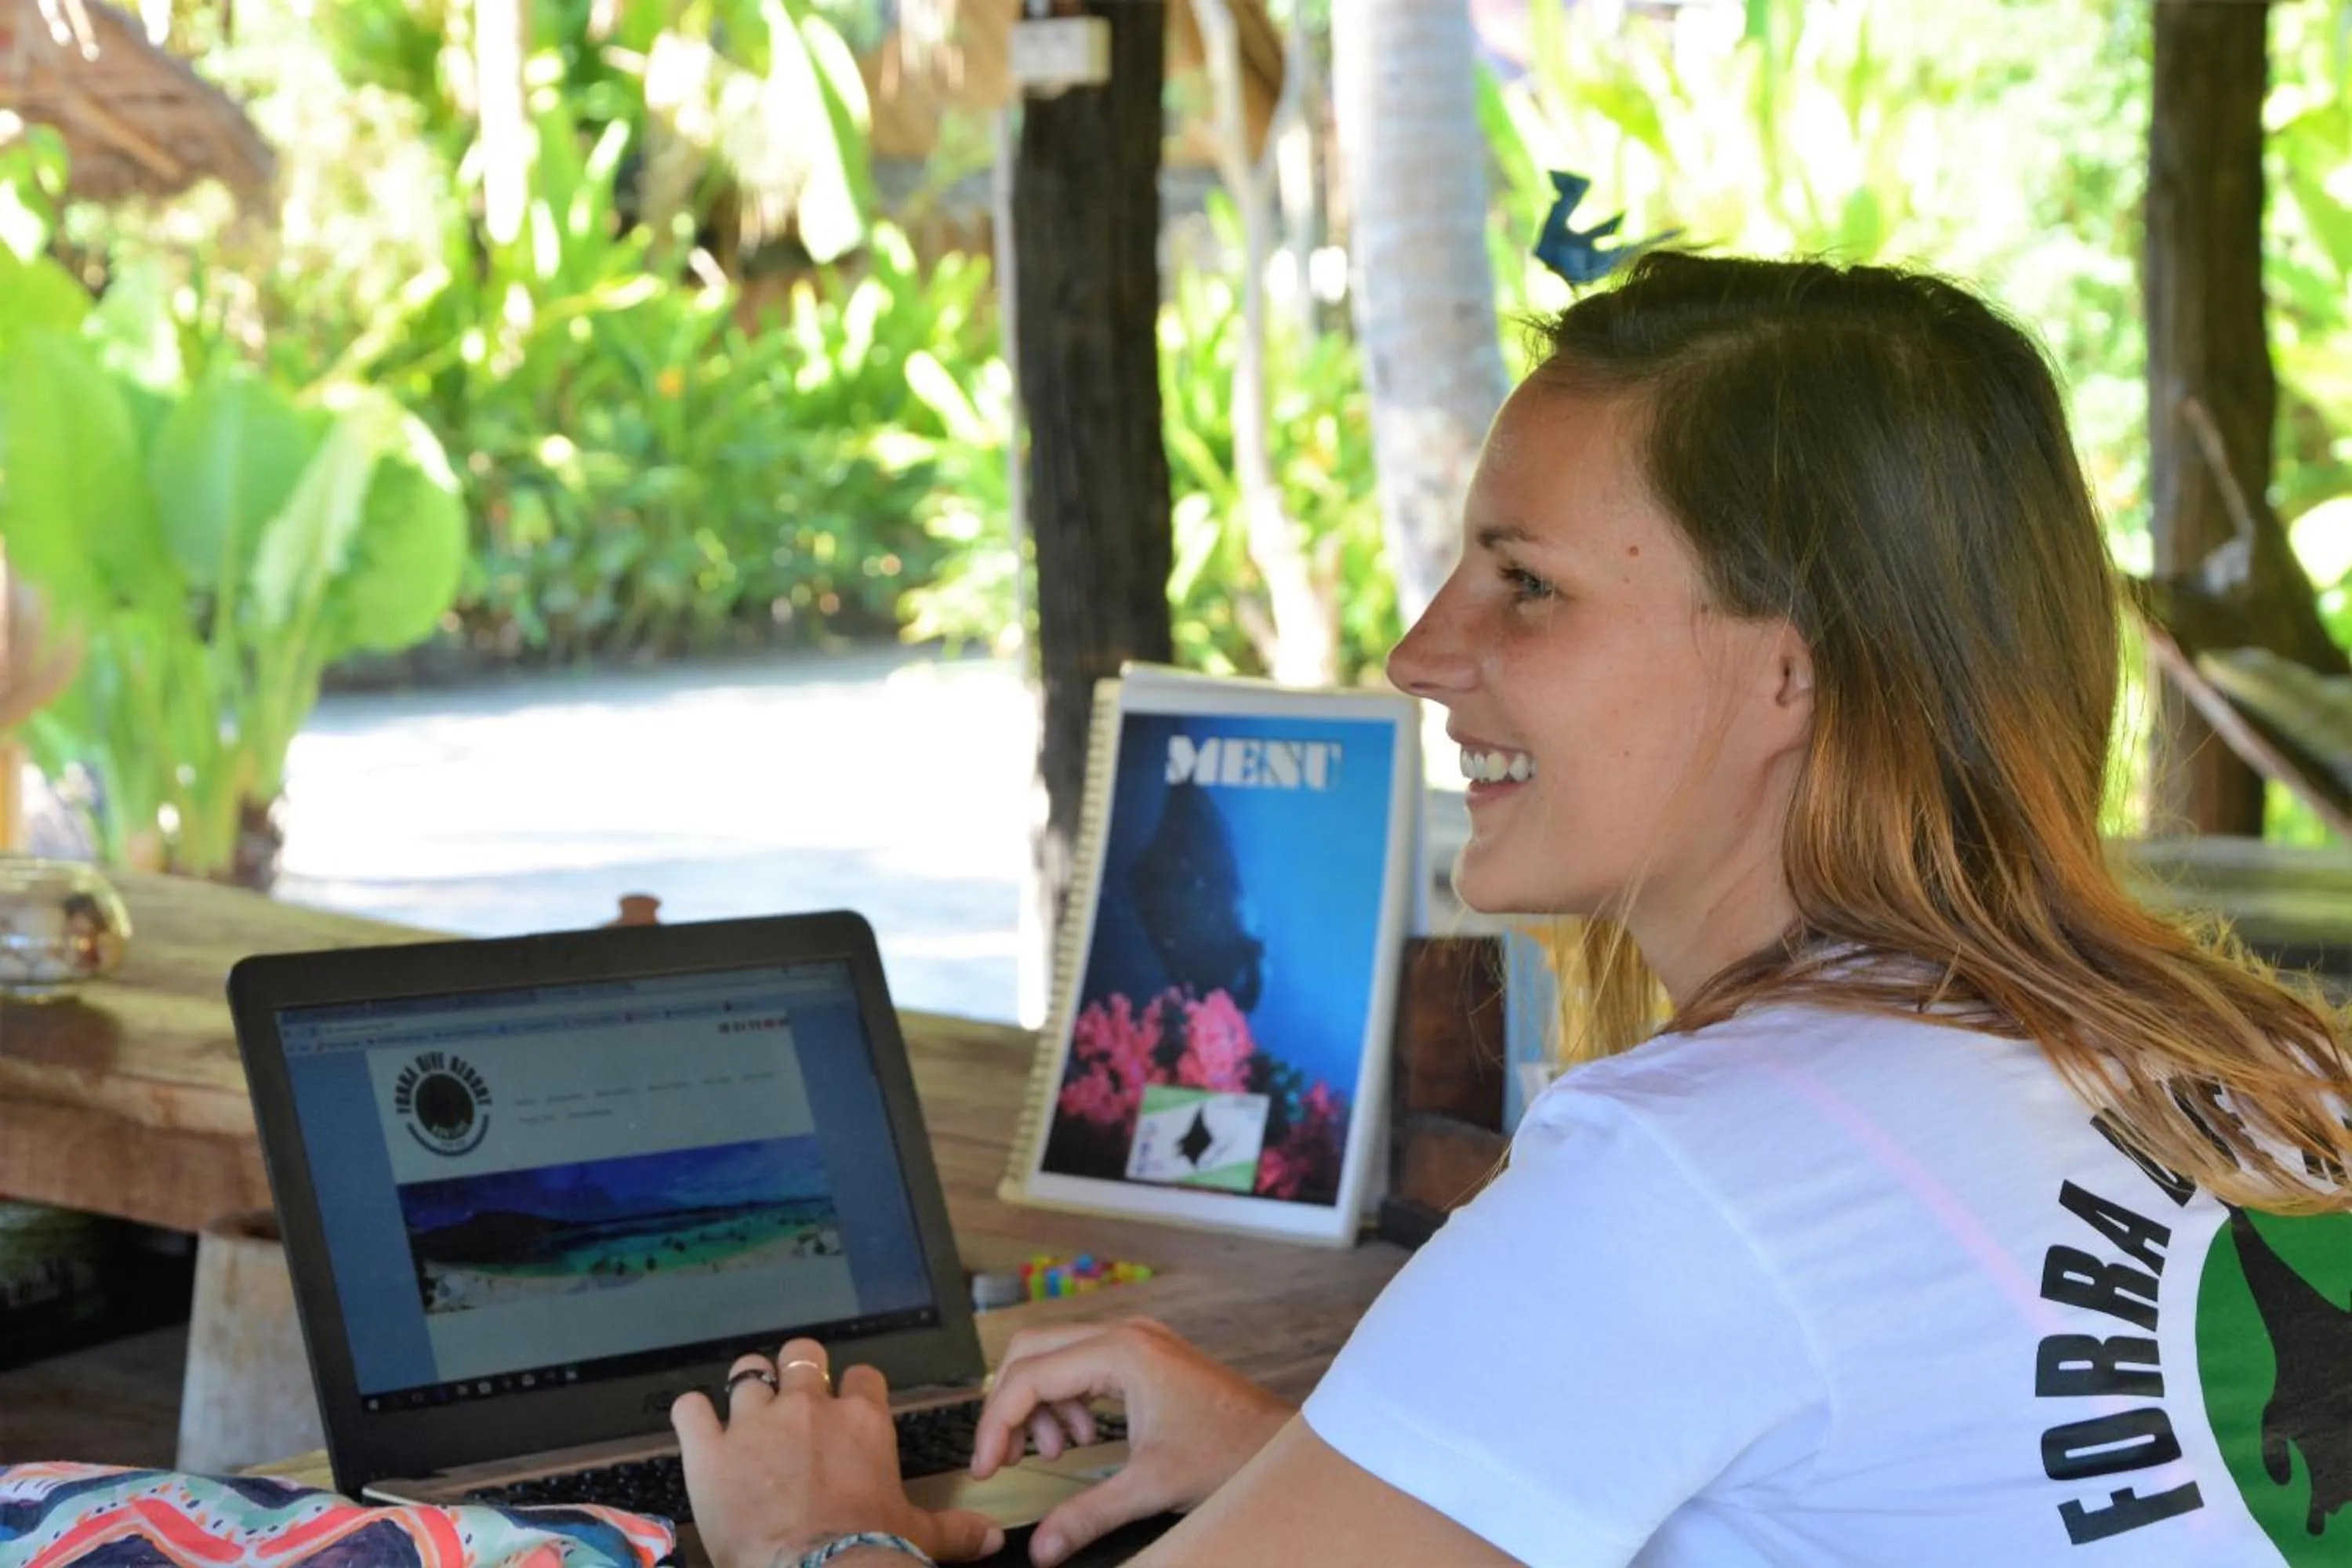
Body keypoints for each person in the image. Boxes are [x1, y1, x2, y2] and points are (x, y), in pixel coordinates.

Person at [670, 253, 2352, 1566]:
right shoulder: (2274, 1059)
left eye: (1525, 585)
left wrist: (820, 1526)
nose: (1420, 653)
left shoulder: (1695, 1162)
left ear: (1793, 669)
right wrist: (1340, 1469)